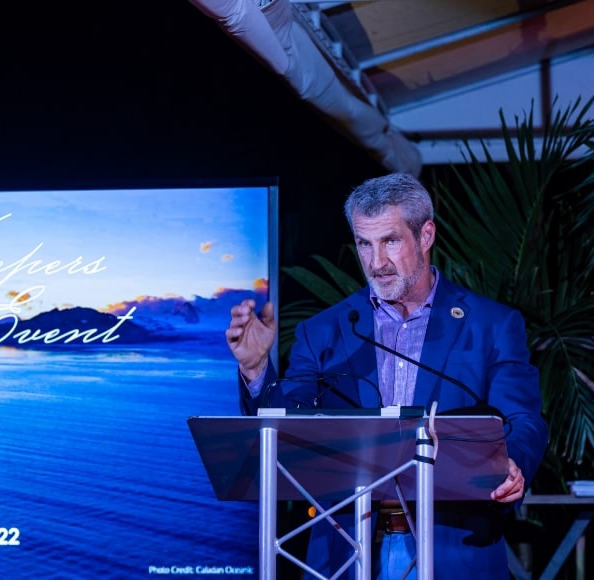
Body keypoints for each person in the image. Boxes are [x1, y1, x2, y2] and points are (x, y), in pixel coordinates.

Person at [226, 172, 548, 578]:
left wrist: (513, 461)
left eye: (390, 241)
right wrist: (256, 369)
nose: (376, 263)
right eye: (365, 243)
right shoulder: (324, 331)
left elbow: (522, 418)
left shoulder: (491, 325)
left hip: (452, 548)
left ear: (425, 235)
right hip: (345, 552)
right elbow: (289, 430)